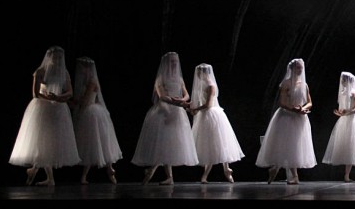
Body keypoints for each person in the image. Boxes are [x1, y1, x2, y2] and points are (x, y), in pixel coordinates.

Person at [9, 46, 81, 186]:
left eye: (60, 57)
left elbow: (70, 92)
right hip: (42, 108)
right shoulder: (40, 71)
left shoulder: (64, 72)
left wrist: (59, 97)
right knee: (43, 140)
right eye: (56, 56)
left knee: (50, 141)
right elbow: (36, 93)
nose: (58, 59)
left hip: (58, 110)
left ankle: (38, 172)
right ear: (50, 57)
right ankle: (45, 176)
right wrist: (51, 98)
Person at [131, 51, 199, 185]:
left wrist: (182, 100)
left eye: (176, 61)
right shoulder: (160, 78)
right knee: (163, 142)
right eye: (172, 61)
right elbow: (162, 96)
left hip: (176, 112)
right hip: (163, 111)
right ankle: (158, 173)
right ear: (166, 63)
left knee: (170, 143)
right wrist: (178, 102)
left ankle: (164, 175)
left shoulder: (179, 79)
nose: (174, 64)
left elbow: (186, 95)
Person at [256, 58, 318, 184]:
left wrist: (302, 109)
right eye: (297, 67)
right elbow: (282, 103)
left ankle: (276, 169)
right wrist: (294, 110)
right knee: (288, 144)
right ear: (292, 69)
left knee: (294, 146)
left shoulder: (304, 85)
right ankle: (293, 175)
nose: (300, 70)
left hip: (300, 118)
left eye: (301, 67)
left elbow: (309, 102)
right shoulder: (286, 84)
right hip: (287, 117)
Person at [188, 63, 245, 183]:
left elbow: (208, 104)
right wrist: (193, 109)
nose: (197, 75)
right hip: (204, 115)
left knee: (217, 143)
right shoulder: (203, 85)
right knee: (211, 144)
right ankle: (226, 169)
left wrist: (195, 109)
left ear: (204, 73)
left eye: (199, 73)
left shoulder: (210, 85)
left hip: (212, 115)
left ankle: (210, 174)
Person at [70, 56, 123, 185]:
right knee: (90, 145)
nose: (81, 70)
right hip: (88, 112)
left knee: (99, 142)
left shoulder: (92, 82)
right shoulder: (85, 81)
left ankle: (109, 169)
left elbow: (86, 101)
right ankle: (88, 175)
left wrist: (75, 104)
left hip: (92, 114)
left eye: (82, 67)